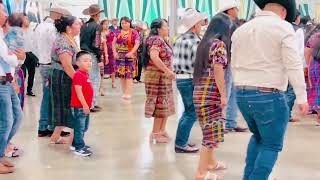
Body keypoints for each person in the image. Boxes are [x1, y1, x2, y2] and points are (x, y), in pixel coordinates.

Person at [231, 1, 309, 179]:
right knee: (271, 145)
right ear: (283, 12)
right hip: (268, 94)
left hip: (242, 93)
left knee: (258, 137)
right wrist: (302, 97)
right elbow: (293, 64)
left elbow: (233, 63)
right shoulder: (282, 28)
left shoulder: (241, 29)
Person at [193, 13, 234, 180]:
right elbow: (218, 71)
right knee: (210, 136)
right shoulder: (219, 45)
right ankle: (201, 173)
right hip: (210, 95)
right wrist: (223, 95)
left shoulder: (204, 43)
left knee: (209, 132)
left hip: (200, 93)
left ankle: (210, 163)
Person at [173, 8, 207, 153]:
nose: (201, 26)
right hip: (189, 79)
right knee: (191, 112)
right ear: (194, 26)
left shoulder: (179, 38)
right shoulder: (195, 41)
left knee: (188, 111)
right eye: (199, 24)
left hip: (180, 79)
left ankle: (182, 140)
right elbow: (200, 63)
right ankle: (180, 143)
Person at [34, 6, 71, 137]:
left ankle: (47, 126)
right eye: (61, 16)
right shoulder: (52, 29)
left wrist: (41, 57)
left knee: (48, 96)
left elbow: (34, 46)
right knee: (53, 97)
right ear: (57, 14)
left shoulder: (39, 26)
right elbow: (56, 48)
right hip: (52, 65)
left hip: (43, 63)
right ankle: (48, 126)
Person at [0, 0, 26, 173]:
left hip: (7, 80)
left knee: (17, 117)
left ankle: (1, 152)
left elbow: (13, 58)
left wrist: (17, 58)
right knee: (6, 121)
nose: (4, 14)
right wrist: (16, 58)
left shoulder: (4, 34)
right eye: (1, 11)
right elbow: (8, 58)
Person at [49, 15, 81, 144]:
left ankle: (55, 138)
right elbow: (67, 65)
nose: (80, 26)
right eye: (77, 24)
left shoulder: (69, 39)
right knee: (65, 106)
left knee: (65, 106)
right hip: (63, 77)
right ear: (69, 28)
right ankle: (75, 140)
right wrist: (79, 81)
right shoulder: (63, 41)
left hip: (67, 75)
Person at [143, 19, 175, 144]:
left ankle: (162, 130)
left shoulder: (162, 40)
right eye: (166, 26)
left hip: (164, 77)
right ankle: (156, 132)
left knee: (165, 103)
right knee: (160, 104)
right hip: (157, 77)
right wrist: (167, 71)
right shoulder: (155, 40)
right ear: (158, 29)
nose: (167, 28)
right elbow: (154, 57)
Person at [218, 0, 248, 133]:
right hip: (225, 63)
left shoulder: (231, 24)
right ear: (229, 10)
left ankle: (231, 122)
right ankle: (221, 124)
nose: (238, 10)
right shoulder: (224, 24)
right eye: (235, 8)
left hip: (233, 63)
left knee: (233, 94)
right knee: (225, 93)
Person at [80, 4, 104, 112]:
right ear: (97, 14)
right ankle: (91, 104)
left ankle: (89, 102)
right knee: (94, 80)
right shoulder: (97, 26)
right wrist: (100, 58)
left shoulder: (83, 25)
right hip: (93, 55)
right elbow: (97, 44)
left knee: (87, 79)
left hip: (83, 54)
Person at [70, 51, 94, 157]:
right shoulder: (78, 75)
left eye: (90, 60)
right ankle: (79, 147)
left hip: (85, 106)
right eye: (85, 61)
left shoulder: (85, 74)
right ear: (78, 63)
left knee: (84, 127)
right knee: (79, 128)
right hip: (79, 107)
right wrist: (84, 105)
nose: (89, 63)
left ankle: (76, 143)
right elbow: (78, 92)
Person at [112, 16, 140, 101]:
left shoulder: (134, 32)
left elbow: (137, 43)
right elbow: (113, 43)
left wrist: (131, 52)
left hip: (130, 56)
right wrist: (114, 52)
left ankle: (128, 93)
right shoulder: (117, 32)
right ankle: (124, 92)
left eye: (126, 22)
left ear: (129, 23)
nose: (124, 24)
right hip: (119, 56)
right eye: (122, 23)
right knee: (122, 75)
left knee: (129, 75)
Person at [286, 9, 306, 123]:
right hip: (293, 63)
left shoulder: (283, 27)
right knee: (292, 90)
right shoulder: (298, 31)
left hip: (281, 64)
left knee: (284, 90)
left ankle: (283, 114)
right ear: (297, 18)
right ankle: (285, 114)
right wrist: (302, 66)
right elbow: (299, 51)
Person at [21, 14, 38, 97]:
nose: (28, 20)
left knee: (32, 73)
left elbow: (35, 43)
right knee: (23, 74)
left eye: (28, 19)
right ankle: (21, 89)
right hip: (22, 54)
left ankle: (29, 90)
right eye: (26, 19)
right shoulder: (19, 31)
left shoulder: (31, 30)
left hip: (31, 54)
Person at [306, 31, 320, 125]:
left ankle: (319, 117)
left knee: (317, 91)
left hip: (314, 65)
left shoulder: (314, 37)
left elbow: (308, 53)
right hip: (316, 66)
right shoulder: (316, 37)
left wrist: (307, 66)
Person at [100, 19, 116, 93]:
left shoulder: (111, 32)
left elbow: (114, 41)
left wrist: (114, 50)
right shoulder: (100, 32)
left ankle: (113, 82)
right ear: (102, 25)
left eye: (107, 24)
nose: (106, 25)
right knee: (102, 68)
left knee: (112, 66)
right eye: (104, 24)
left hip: (111, 51)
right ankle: (101, 85)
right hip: (102, 51)